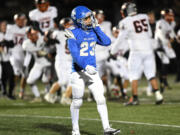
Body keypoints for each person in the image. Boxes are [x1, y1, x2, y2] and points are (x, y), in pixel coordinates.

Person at [66, 6, 120, 135]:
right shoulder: (72, 32)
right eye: (86, 18)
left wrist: (97, 28)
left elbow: (107, 42)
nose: (90, 20)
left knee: (101, 98)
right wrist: (85, 65)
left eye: (90, 17)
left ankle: (106, 128)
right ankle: (75, 130)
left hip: (92, 71)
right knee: (77, 101)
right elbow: (75, 54)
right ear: (78, 20)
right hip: (78, 71)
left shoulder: (93, 31)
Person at [111, 2, 163, 105]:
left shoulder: (125, 22)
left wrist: (113, 51)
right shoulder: (144, 17)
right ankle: (158, 95)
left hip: (136, 52)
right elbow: (149, 33)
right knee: (150, 74)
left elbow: (121, 38)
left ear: (125, 11)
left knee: (133, 75)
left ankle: (134, 98)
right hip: (148, 49)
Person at [44, 17, 73, 105]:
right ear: (63, 25)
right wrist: (49, 37)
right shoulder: (59, 33)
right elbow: (48, 36)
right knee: (63, 81)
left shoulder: (71, 34)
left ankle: (65, 97)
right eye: (69, 24)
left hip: (70, 61)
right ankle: (49, 94)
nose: (71, 25)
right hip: (61, 61)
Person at [155, 9, 176, 92]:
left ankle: (163, 82)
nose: (171, 16)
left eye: (171, 15)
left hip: (166, 45)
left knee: (168, 62)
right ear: (164, 15)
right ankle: (163, 83)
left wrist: (175, 38)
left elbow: (172, 34)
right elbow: (160, 35)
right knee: (165, 62)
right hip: (159, 45)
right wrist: (167, 42)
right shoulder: (160, 22)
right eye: (169, 15)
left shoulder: (171, 23)